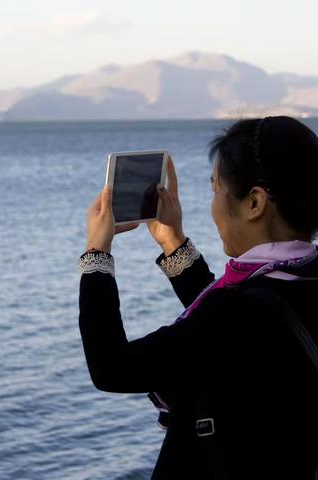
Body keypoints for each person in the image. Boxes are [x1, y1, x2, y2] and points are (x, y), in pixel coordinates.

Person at [77, 116, 318, 479]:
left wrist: (97, 253)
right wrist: (172, 242)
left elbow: (111, 367)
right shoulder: (300, 278)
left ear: (254, 202)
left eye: (216, 189)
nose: (214, 206)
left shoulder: (239, 311)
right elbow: (227, 327)